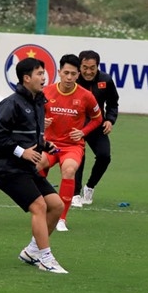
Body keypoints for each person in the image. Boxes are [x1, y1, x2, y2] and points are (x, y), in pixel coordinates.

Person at [0, 57, 68, 274]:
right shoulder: (11, 103)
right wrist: (22, 152)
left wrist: (45, 145)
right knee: (39, 206)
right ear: (26, 78)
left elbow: (32, 135)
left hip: (26, 169)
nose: (44, 78)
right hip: (7, 169)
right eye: (39, 74)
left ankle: (32, 251)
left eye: (43, 73)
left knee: (57, 206)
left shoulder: (39, 102)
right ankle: (45, 258)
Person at [38, 54, 102, 232]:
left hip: (72, 147)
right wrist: (41, 121)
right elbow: (33, 115)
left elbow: (98, 119)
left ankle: (61, 219)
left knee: (69, 170)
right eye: (66, 73)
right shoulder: (46, 92)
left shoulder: (86, 96)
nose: (69, 77)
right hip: (49, 144)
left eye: (73, 74)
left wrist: (83, 132)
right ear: (59, 72)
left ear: (78, 75)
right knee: (37, 165)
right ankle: (42, 207)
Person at [72, 49, 119, 209]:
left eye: (92, 67)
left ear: (97, 66)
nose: (88, 71)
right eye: (85, 67)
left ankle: (89, 187)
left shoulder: (106, 80)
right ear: (80, 66)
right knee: (79, 157)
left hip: (96, 124)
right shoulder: (73, 79)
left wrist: (110, 120)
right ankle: (75, 194)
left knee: (104, 156)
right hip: (75, 125)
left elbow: (113, 103)